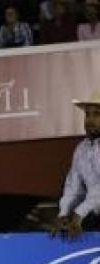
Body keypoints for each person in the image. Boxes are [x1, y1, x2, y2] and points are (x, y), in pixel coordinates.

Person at [52, 89, 100, 238]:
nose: (89, 120)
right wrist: (64, 213)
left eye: (97, 114)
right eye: (87, 114)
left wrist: (80, 213)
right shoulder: (81, 149)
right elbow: (73, 186)